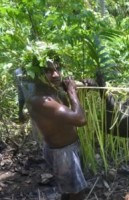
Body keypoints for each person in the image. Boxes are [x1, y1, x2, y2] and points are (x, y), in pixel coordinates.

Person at [27, 51, 87, 200]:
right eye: (48, 71)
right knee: (76, 193)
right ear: (36, 75)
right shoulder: (41, 100)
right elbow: (79, 119)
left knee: (69, 191)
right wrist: (72, 93)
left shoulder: (52, 92)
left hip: (66, 149)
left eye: (57, 69)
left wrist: (70, 91)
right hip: (63, 153)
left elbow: (67, 112)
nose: (55, 75)